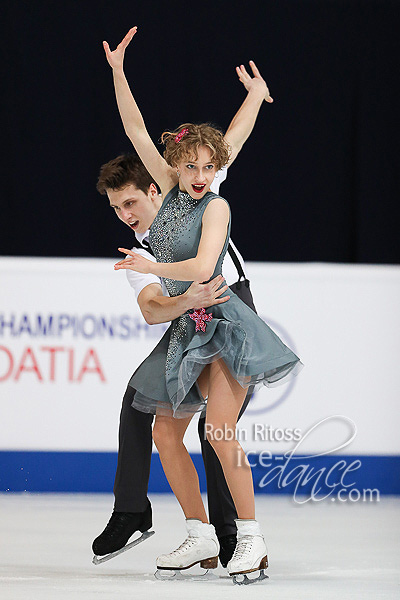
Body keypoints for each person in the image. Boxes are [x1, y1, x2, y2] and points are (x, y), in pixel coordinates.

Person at [102, 27, 303, 582]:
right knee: (165, 430)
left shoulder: (215, 203)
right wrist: (119, 73)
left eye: (207, 167)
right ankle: (200, 535)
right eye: (188, 167)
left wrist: (151, 266)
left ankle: (252, 539)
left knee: (218, 432)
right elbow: (136, 127)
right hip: (192, 320)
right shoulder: (168, 183)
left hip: (226, 310)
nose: (197, 176)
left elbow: (200, 268)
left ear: (215, 166)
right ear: (173, 165)